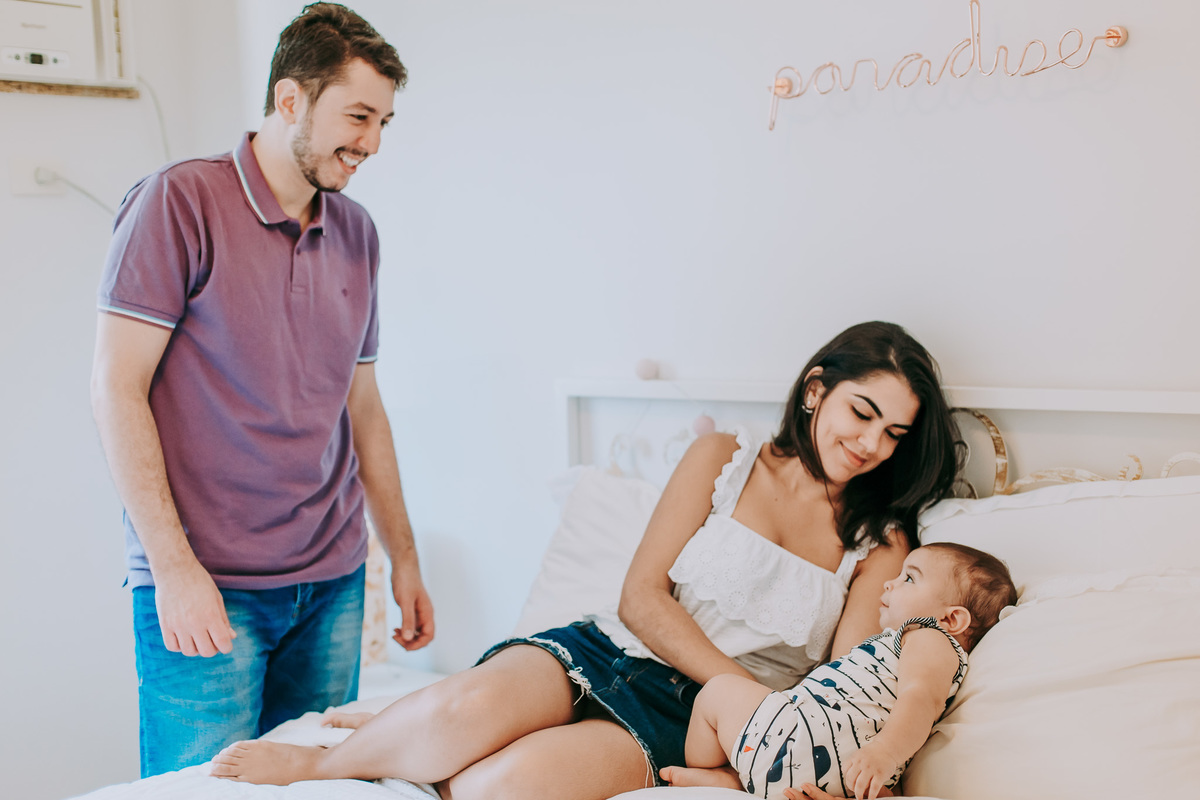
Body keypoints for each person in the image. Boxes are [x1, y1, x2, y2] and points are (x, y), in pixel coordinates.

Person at [210, 320, 961, 800]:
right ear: (817, 391)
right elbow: (642, 597)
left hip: (688, 719)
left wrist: (756, 736)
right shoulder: (722, 456)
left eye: (894, 434)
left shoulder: (880, 541)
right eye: (863, 414)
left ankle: (405, 746)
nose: (871, 444)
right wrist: (739, 688)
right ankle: (322, 767)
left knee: (500, 788)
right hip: (610, 647)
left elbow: (847, 682)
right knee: (465, 709)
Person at [90, 3, 433, 777]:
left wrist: (400, 560)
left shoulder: (357, 232)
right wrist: (173, 571)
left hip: (333, 581)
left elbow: (365, 410)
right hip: (209, 583)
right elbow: (117, 389)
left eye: (384, 121)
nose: (372, 143)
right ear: (290, 100)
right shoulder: (178, 203)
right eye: (357, 116)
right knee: (198, 791)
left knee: (317, 787)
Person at [660, 542, 1018, 800]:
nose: (890, 583)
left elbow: (919, 697)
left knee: (719, 690)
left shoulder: (929, 636)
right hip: (839, 773)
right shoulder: (905, 644)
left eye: (910, 578)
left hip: (806, 740)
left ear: (951, 618)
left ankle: (717, 771)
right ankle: (742, 781)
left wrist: (885, 753)